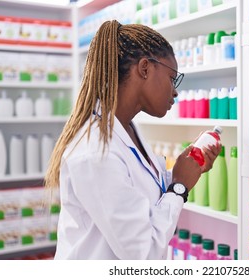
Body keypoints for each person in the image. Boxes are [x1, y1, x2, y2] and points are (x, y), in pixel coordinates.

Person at [44, 20, 221, 260]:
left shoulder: (126, 129)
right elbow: (143, 253)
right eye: (172, 78)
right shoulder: (96, 150)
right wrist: (179, 188)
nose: (175, 91)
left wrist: (184, 171)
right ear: (145, 68)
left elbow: (137, 193)